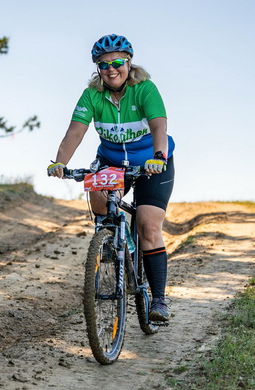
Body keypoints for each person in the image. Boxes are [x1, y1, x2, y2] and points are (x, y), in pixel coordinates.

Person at [47, 34, 175, 322]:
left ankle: (158, 300)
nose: (111, 69)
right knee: (95, 187)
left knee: (148, 225)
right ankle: (115, 241)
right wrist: (60, 162)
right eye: (104, 65)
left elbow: (159, 126)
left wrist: (159, 156)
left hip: (152, 162)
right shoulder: (92, 95)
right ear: (98, 69)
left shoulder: (145, 89)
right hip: (112, 160)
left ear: (129, 63)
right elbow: (75, 132)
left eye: (117, 63)